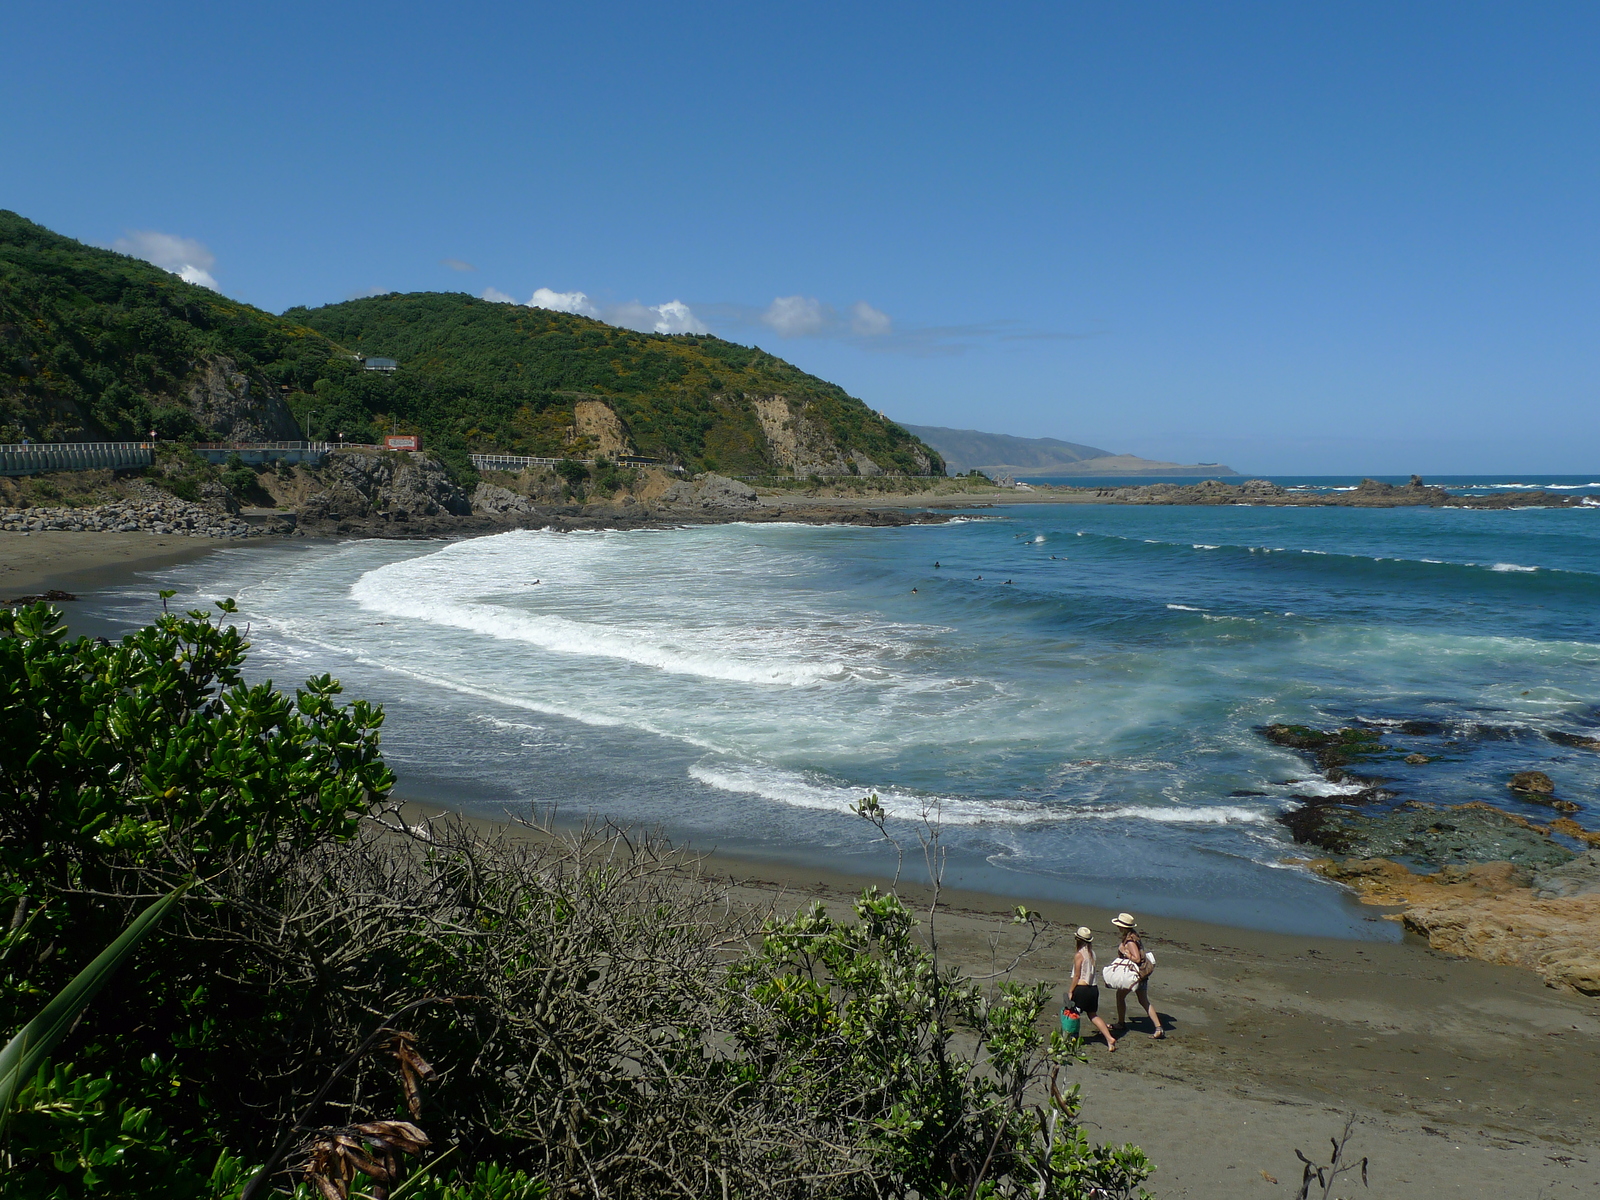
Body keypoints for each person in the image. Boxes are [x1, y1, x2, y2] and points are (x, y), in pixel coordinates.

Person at [1109, 913, 1164, 1039]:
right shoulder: (1134, 936)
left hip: (1135, 975)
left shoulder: (1129, 941)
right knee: (1143, 1001)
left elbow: (1137, 959)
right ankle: (1158, 1027)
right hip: (1141, 974)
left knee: (1121, 996)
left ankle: (1121, 1023)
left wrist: (1124, 952)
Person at [1068, 927, 1116, 1051]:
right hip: (1093, 989)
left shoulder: (1079, 955)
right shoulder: (1092, 953)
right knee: (1093, 1015)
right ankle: (1109, 1038)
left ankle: (1073, 1039)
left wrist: (1070, 991)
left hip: (1082, 988)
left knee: (1074, 1014)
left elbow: (1077, 976)